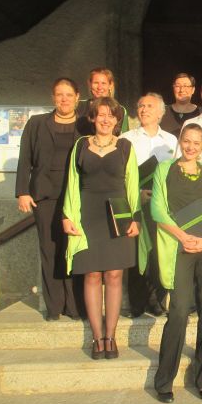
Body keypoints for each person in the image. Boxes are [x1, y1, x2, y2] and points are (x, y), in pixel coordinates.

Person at [151, 123, 202, 404]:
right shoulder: (164, 170)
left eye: (196, 142)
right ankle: (164, 381)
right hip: (179, 247)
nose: (191, 146)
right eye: (187, 141)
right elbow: (157, 209)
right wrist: (183, 237)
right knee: (179, 311)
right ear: (180, 142)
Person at [62, 97, 140, 360]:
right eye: (101, 114)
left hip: (118, 215)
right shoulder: (80, 146)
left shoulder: (126, 146)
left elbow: (132, 185)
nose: (106, 119)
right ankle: (97, 338)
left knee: (115, 275)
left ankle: (111, 336)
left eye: (111, 115)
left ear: (118, 120)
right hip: (88, 215)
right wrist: (67, 216)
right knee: (92, 275)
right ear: (93, 118)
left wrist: (135, 218)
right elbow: (72, 183)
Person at [15, 77, 85, 321]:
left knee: (73, 249)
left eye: (69, 94)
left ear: (78, 97)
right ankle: (54, 306)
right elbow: (25, 158)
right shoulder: (36, 124)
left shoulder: (85, 125)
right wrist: (22, 191)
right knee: (49, 248)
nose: (64, 99)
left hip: (76, 196)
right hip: (44, 196)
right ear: (53, 97)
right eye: (59, 94)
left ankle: (74, 306)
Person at [121, 93, 177, 317]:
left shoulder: (171, 141)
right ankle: (137, 302)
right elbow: (120, 174)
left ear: (161, 112)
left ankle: (157, 300)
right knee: (136, 255)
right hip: (136, 203)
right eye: (141, 105)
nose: (144, 109)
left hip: (161, 204)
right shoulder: (126, 139)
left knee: (159, 252)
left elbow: (175, 172)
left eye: (150, 106)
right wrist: (137, 195)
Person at [76, 67, 130, 135]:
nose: (99, 87)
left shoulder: (120, 110)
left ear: (110, 85)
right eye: (96, 83)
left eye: (103, 83)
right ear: (89, 84)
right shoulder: (79, 106)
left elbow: (124, 136)